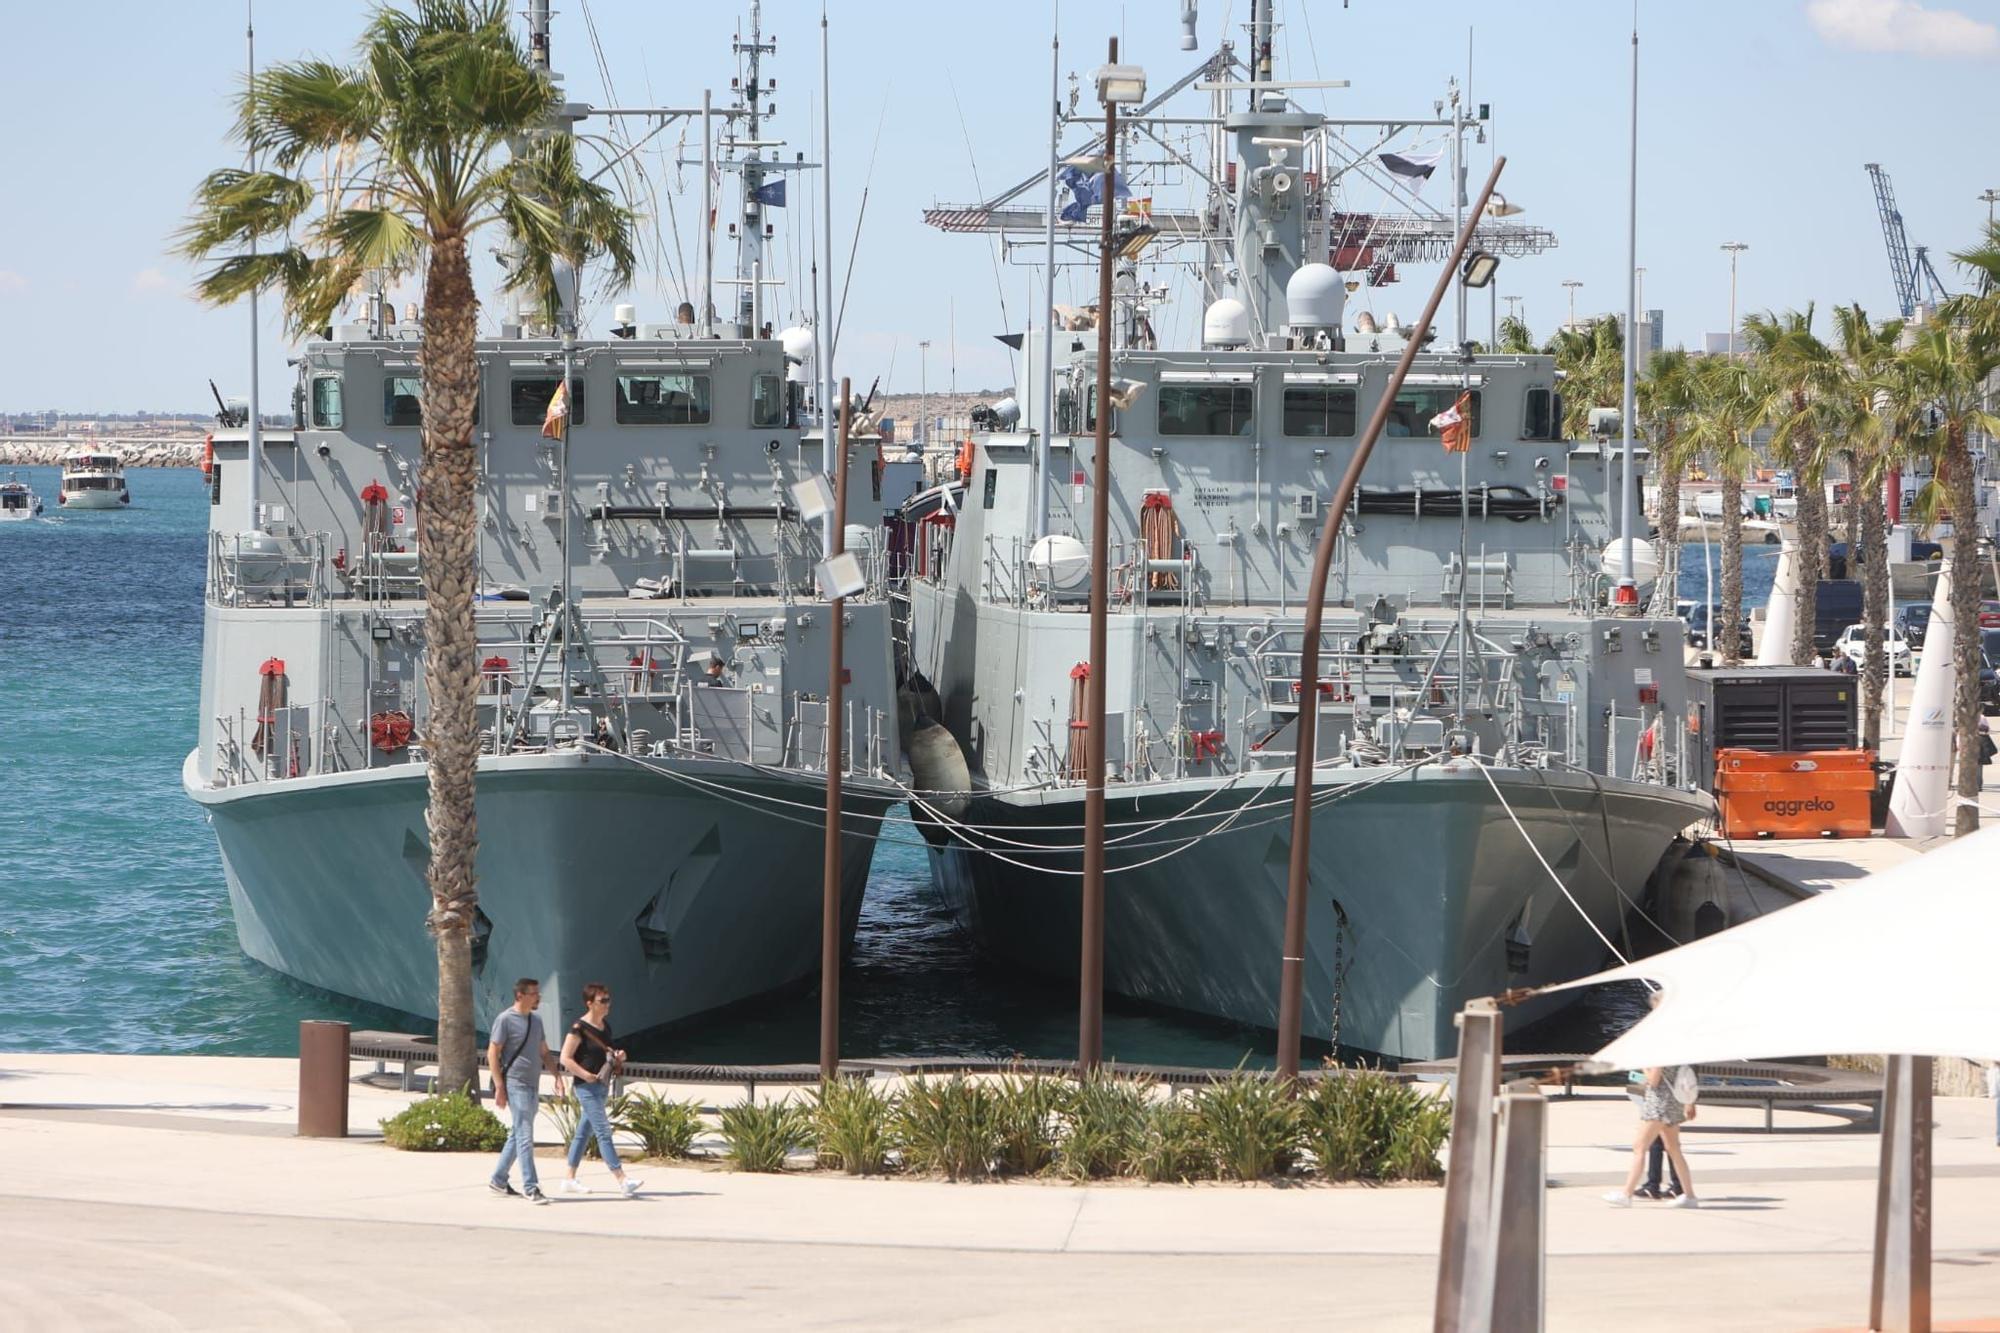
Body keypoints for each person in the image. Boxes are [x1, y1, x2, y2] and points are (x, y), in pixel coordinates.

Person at [559, 983, 643, 1197]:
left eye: (608, 999)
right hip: (586, 1087)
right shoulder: (579, 1028)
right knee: (603, 1131)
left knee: (583, 1133)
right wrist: (583, 1074)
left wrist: (618, 1056)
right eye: (602, 1001)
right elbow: (565, 1058)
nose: (607, 1004)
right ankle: (622, 1179)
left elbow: (605, 1052)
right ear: (590, 1003)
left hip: (602, 1085)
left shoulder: (606, 1027)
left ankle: (569, 1178)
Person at [488, 977, 564, 1205]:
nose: (538, 997)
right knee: (524, 1136)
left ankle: (498, 1179)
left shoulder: (536, 1020)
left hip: (533, 1084)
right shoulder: (505, 1020)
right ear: (520, 995)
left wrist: (557, 1075)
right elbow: (493, 1053)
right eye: (533, 994)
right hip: (515, 1084)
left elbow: (543, 1051)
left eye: (538, 994)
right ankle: (531, 1187)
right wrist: (500, 1086)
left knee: (517, 1133)